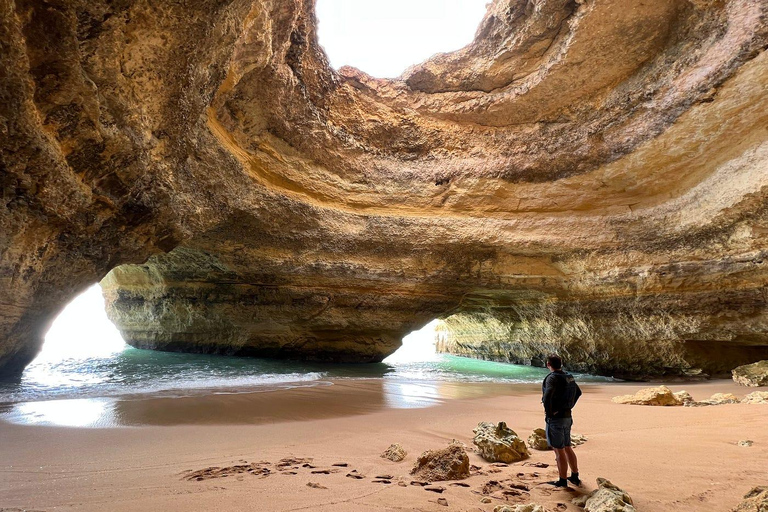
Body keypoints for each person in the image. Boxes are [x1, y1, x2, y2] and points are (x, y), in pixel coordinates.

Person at [541, 354, 582, 487]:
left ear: (548, 364)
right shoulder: (568, 376)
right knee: (567, 446)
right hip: (567, 416)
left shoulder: (552, 378)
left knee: (558, 450)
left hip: (556, 419)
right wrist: (569, 406)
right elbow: (578, 392)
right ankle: (574, 476)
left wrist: (549, 413)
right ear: (561, 364)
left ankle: (562, 480)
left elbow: (547, 397)